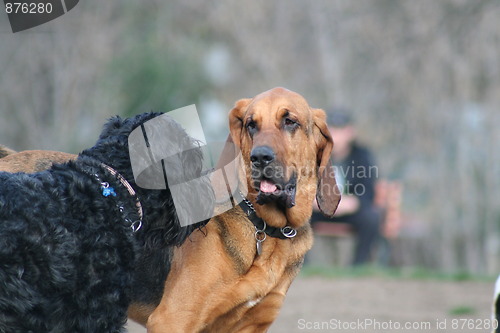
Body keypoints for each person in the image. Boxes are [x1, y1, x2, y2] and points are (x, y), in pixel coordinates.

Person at [311, 110, 382, 265]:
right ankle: (300, 266)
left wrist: (351, 203)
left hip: (349, 211)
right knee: (296, 216)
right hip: (318, 208)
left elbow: (367, 190)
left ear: (350, 133)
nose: (335, 134)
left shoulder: (362, 156)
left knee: (371, 218)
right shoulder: (314, 153)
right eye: (332, 129)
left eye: (340, 130)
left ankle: (359, 267)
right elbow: (303, 185)